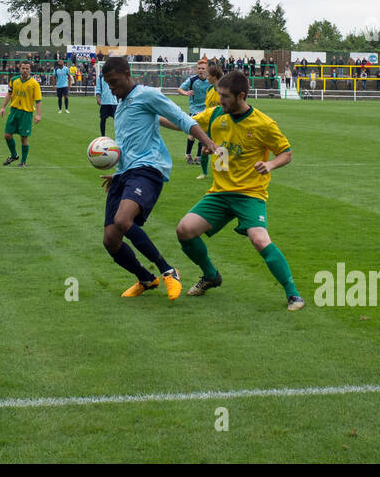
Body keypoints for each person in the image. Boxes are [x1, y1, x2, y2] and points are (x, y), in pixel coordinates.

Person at [170, 70, 305, 310]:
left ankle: (293, 293)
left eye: (224, 96)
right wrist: (149, 114)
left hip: (250, 193)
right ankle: (211, 275)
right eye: (218, 95)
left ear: (241, 95)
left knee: (259, 239)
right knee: (184, 230)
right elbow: (183, 123)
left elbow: (287, 153)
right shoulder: (215, 115)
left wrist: (271, 164)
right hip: (220, 193)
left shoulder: (263, 124)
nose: (219, 100)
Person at [98, 56, 217, 300]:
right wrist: (117, 171)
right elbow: (127, 142)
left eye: (114, 81)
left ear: (127, 73)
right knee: (110, 240)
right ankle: (145, 278)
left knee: (123, 219)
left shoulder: (147, 95)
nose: (111, 87)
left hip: (148, 169)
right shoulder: (122, 106)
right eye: (107, 83)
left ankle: (168, 270)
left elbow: (180, 117)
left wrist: (208, 142)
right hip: (125, 173)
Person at [0, 61, 42, 166]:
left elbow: (38, 100)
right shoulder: (14, 80)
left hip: (26, 113)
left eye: (27, 68)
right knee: (7, 135)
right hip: (14, 111)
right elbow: (9, 94)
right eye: (23, 68)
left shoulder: (34, 84)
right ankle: (14, 155)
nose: (25, 70)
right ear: (20, 69)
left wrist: (38, 114)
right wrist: (3, 107)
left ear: (30, 70)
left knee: (24, 138)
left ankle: (23, 162)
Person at [176, 60, 212, 166]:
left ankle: (198, 156)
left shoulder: (210, 81)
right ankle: (188, 155)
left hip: (206, 109)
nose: (201, 70)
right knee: (193, 133)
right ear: (196, 69)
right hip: (194, 109)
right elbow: (179, 89)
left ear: (207, 69)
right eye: (199, 68)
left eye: (203, 68)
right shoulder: (192, 80)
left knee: (203, 132)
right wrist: (186, 92)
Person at [195, 62, 223, 178]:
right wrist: (202, 114)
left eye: (208, 75)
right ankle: (205, 173)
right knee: (204, 149)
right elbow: (207, 108)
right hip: (210, 123)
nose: (206, 77)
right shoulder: (209, 90)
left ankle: (222, 175)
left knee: (221, 150)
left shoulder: (224, 91)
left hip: (222, 125)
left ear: (215, 76)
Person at [95, 63, 118, 136]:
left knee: (117, 120)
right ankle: (103, 136)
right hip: (104, 102)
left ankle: (118, 135)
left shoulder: (114, 76)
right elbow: (98, 89)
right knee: (103, 119)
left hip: (114, 102)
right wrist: (98, 98)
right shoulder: (100, 77)